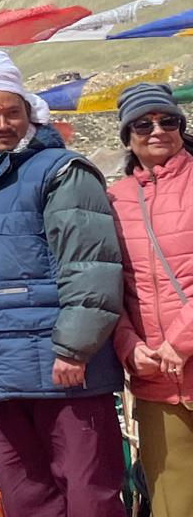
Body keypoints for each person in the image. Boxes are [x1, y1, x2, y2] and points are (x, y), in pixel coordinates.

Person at [0, 48, 125, 516]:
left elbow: (90, 263)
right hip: (4, 378)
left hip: (67, 371)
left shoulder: (62, 171)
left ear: (30, 114)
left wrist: (74, 348)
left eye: (12, 113)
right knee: (26, 500)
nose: (3, 124)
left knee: (89, 496)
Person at [106, 82, 193, 516]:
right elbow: (108, 285)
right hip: (157, 381)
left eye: (168, 121)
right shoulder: (113, 200)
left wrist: (181, 342)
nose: (157, 130)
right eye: (143, 124)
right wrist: (128, 347)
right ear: (127, 137)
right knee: (173, 504)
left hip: (179, 355)